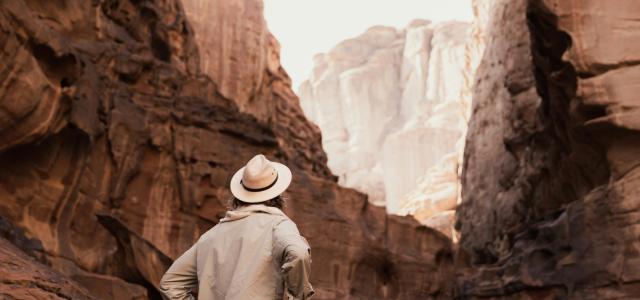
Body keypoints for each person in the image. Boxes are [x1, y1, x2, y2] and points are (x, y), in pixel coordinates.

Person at [159, 154, 314, 300]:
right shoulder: (278, 225)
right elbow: (299, 253)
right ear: (277, 195)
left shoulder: (211, 235)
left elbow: (171, 284)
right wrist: (299, 296)